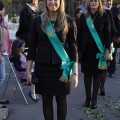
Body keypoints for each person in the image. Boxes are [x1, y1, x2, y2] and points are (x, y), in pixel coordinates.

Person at [26, 0, 78, 119]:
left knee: (61, 99)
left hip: (62, 68)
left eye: (56, 0)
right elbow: (32, 47)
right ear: (45, 2)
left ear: (61, 2)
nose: (52, 2)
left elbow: (73, 49)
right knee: (46, 99)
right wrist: (28, 70)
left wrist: (75, 73)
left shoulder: (69, 21)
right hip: (43, 67)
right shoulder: (37, 21)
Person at [77, 0, 111, 109]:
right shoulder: (84, 16)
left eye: (95, 0)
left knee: (97, 75)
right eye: (91, 0)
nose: (93, 2)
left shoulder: (104, 15)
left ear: (99, 2)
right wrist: (78, 50)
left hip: (99, 51)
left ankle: (94, 98)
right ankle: (87, 98)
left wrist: (107, 50)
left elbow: (108, 34)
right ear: (88, 3)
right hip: (86, 51)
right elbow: (79, 33)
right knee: (87, 75)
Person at [99, 0, 118, 96]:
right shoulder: (89, 14)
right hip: (93, 45)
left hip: (106, 43)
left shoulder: (108, 13)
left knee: (104, 66)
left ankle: (102, 85)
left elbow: (113, 30)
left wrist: (110, 43)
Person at [0, 2, 12, 108]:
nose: (4, 11)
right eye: (3, 9)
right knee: (2, 77)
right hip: (0, 54)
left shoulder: (2, 21)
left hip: (3, 52)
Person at [107, 0, 120, 78]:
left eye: (110, 1)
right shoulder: (101, 9)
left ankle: (111, 71)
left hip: (113, 36)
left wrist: (119, 36)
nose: (109, 3)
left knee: (112, 53)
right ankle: (105, 69)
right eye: (107, 1)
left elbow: (118, 24)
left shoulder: (115, 10)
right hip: (104, 36)